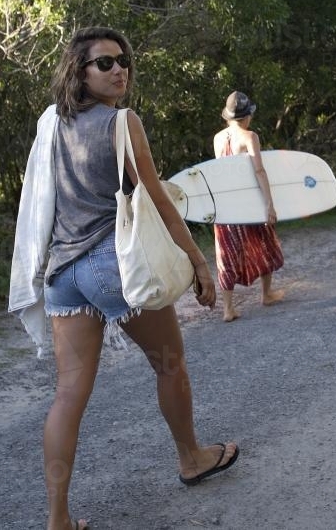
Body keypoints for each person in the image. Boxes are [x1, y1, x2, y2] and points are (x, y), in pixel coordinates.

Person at [24, 27, 240, 530]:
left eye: (124, 61)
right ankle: (192, 458)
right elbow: (158, 199)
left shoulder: (51, 123)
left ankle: (58, 520)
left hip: (63, 273)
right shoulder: (123, 122)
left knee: (68, 393)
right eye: (105, 63)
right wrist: (200, 263)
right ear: (79, 71)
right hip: (110, 265)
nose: (119, 69)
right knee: (169, 364)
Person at [212, 91, 285, 322]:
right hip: (249, 204)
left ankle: (228, 308)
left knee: (228, 253)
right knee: (266, 242)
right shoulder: (249, 136)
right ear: (247, 116)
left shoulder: (218, 139)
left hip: (226, 205)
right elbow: (259, 170)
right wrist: (269, 204)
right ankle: (266, 294)